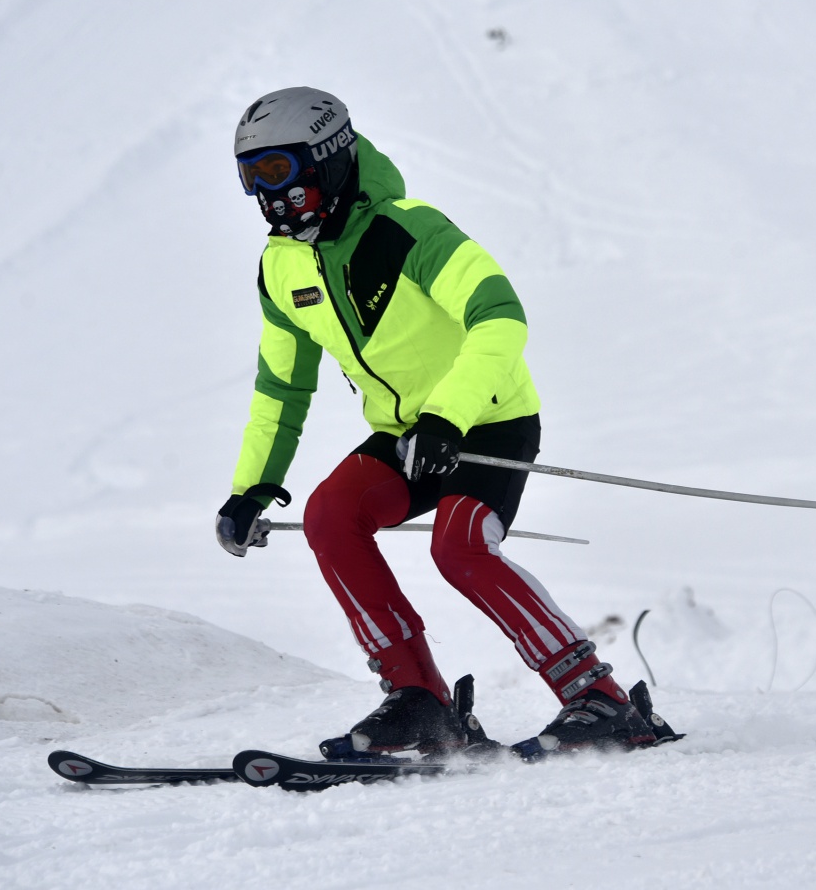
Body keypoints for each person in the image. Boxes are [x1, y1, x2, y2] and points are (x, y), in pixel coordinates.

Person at [214, 86, 658, 756]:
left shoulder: (408, 228)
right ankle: (418, 698)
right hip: (406, 433)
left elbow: (500, 315)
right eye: (251, 177)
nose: (266, 196)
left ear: (327, 158)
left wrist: (449, 418)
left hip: (488, 418)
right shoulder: (283, 266)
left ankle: (599, 698)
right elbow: (282, 385)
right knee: (330, 515)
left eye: (278, 171)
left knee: (459, 546)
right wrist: (251, 486)